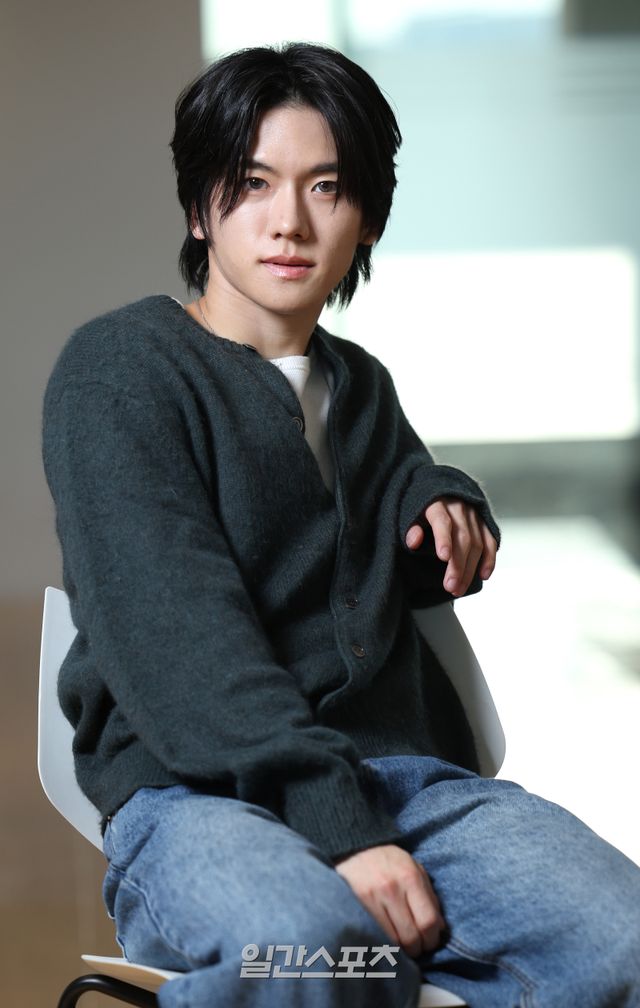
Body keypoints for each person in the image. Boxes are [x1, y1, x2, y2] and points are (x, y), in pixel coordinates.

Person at [42, 42, 640, 1008]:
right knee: (319, 953)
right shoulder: (121, 371)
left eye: (325, 187)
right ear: (199, 208)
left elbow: (383, 521)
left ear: (367, 219)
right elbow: (178, 635)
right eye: (252, 184)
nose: (289, 221)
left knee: (625, 940)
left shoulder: (360, 384)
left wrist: (443, 506)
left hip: (406, 784)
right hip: (201, 795)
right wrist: (342, 831)